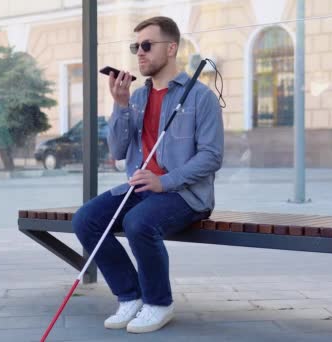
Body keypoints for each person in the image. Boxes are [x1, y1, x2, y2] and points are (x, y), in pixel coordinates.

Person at [72, 16, 224, 334]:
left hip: (184, 193)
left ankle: (158, 303)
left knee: (139, 223)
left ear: (171, 48)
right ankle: (130, 296)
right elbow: (117, 149)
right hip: (140, 188)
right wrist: (120, 105)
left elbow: (211, 157)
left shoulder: (200, 97)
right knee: (86, 219)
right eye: (135, 46)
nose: (139, 53)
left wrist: (164, 181)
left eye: (146, 45)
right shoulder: (137, 97)